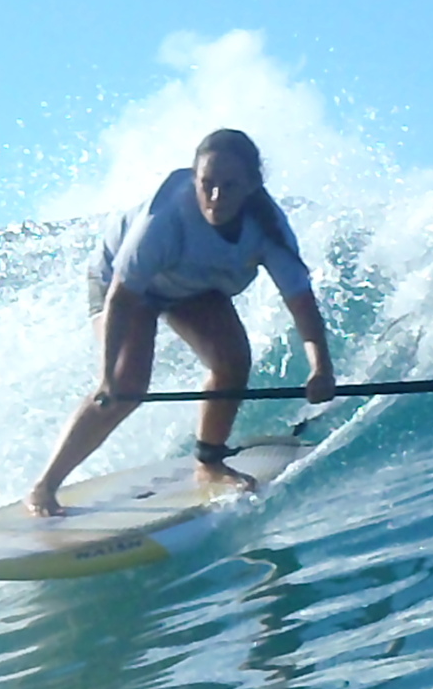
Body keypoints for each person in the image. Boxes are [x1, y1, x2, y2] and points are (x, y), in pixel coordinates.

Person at [26, 130, 336, 517]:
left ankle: (209, 463)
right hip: (121, 286)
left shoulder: (268, 228)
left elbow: (301, 304)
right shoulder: (166, 216)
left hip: (190, 285)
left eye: (230, 186)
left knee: (232, 363)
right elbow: (122, 298)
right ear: (195, 178)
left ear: (253, 185)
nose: (216, 198)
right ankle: (44, 487)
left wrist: (321, 368)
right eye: (207, 184)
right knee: (126, 386)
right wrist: (107, 377)